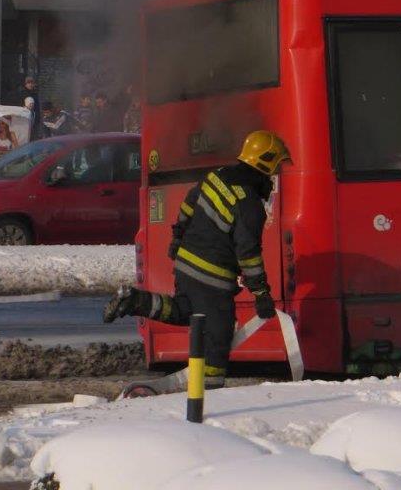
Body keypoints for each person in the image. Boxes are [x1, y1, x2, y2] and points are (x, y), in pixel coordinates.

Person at [104, 130, 290, 390]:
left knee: (184, 311)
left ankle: (135, 300)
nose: (276, 173)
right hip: (212, 278)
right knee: (218, 333)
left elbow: (190, 202)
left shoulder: (218, 176)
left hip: (185, 265)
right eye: (276, 166)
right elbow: (248, 255)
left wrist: (178, 237)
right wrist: (261, 294)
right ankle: (208, 390)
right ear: (265, 163)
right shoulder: (249, 204)